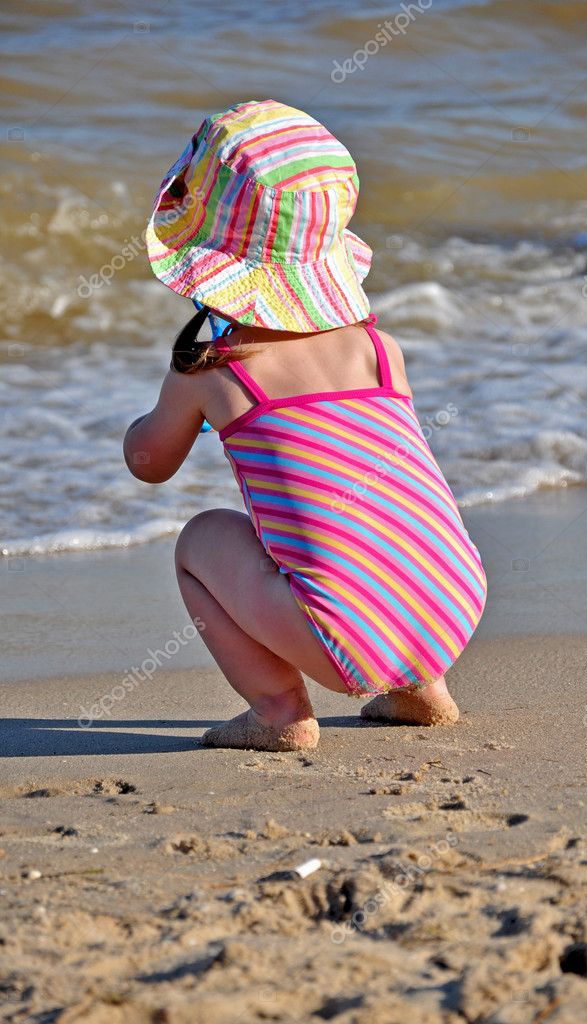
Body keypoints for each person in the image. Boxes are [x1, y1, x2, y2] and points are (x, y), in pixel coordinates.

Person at [124, 99, 487, 752]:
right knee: (380, 519)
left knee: (199, 542)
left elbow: (149, 463)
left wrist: (156, 423)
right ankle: (421, 687)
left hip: (342, 639)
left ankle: (279, 708)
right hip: (455, 603)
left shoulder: (212, 371)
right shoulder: (379, 351)